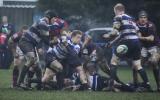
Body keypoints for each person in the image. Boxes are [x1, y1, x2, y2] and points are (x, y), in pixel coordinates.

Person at [103, 3, 151, 91]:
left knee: (113, 61)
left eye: (115, 12)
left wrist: (108, 35)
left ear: (117, 11)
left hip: (127, 42)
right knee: (137, 65)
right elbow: (135, 32)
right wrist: (112, 42)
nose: (115, 14)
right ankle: (147, 85)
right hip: (136, 42)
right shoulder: (131, 19)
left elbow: (114, 32)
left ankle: (111, 86)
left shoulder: (118, 17)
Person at [17, 11, 52, 89]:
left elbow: (41, 38)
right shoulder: (43, 23)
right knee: (32, 59)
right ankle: (20, 83)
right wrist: (52, 43)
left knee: (36, 65)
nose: (55, 21)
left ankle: (37, 85)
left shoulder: (42, 22)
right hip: (26, 42)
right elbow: (45, 38)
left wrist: (40, 46)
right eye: (54, 19)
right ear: (51, 17)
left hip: (30, 44)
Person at [136, 11, 160, 91]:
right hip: (144, 47)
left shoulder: (151, 25)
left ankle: (159, 86)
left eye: (144, 17)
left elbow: (151, 39)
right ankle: (138, 85)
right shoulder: (136, 24)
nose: (143, 19)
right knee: (137, 65)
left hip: (154, 46)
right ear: (138, 18)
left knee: (154, 62)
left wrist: (140, 37)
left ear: (147, 18)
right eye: (141, 17)